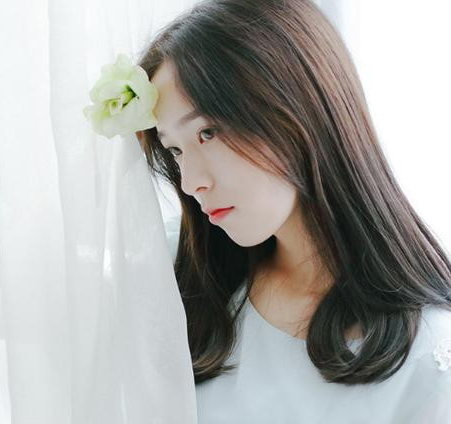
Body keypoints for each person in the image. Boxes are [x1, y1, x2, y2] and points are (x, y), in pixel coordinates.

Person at [131, 0, 451, 422]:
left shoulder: (428, 357)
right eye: (174, 150)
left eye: (208, 132)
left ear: (296, 109)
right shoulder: (188, 280)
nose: (190, 183)